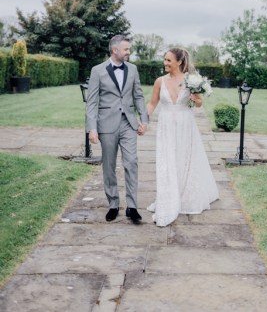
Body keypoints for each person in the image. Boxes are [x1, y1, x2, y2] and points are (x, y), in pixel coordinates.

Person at [147, 47, 219, 226]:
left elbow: (200, 103)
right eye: (164, 59)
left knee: (185, 160)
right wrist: (141, 120)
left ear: (179, 62)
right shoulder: (159, 81)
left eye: (168, 60)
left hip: (185, 125)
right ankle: (168, 198)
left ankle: (185, 197)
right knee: (167, 161)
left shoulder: (191, 80)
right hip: (166, 127)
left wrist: (197, 99)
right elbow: (152, 104)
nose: (165, 63)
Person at [86, 35, 149, 223]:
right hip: (106, 124)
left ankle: (132, 207)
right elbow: (92, 102)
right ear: (115, 50)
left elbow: (138, 95)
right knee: (109, 165)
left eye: (129, 49)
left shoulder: (133, 69)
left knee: (131, 162)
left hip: (129, 123)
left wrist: (143, 120)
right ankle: (113, 204)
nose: (129, 52)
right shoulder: (97, 71)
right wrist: (92, 128)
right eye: (126, 49)